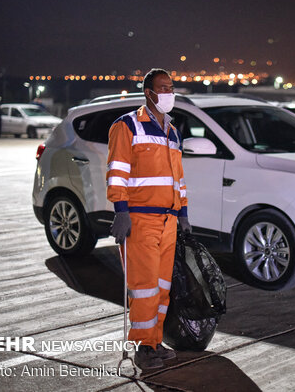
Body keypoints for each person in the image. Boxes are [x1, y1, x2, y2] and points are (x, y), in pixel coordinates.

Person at [106, 68, 191, 370]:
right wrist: (121, 212)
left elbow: (177, 178)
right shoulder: (127, 126)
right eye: (163, 87)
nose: (169, 92)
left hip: (168, 222)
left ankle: (155, 341)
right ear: (148, 92)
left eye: (171, 87)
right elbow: (117, 171)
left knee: (162, 288)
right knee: (144, 287)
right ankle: (143, 347)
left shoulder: (172, 130)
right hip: (140, 220)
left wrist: (183, 213)